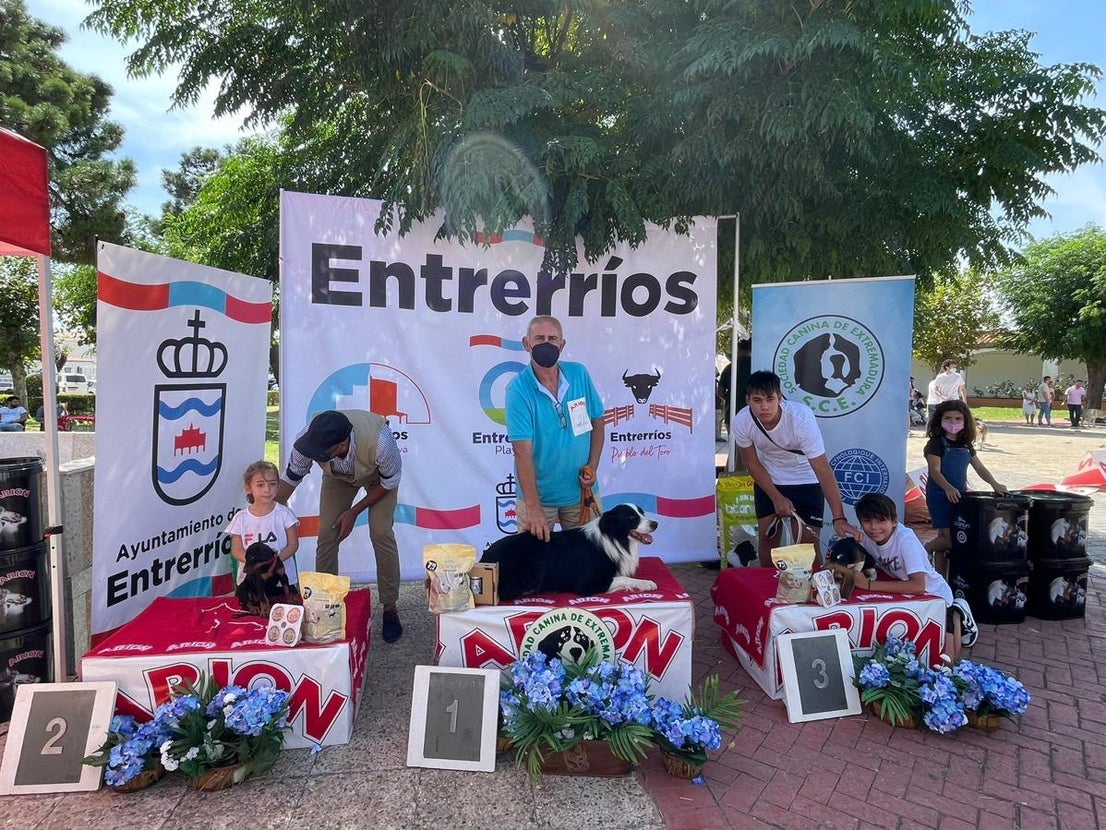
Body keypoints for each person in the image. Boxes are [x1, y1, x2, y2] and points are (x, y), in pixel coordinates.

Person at [276, 409, 404, 642]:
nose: (313, 455)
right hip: (338, 477)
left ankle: (389, 607)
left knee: (381, 531)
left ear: (342, 443)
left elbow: (390, 481)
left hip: (379, 481)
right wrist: (267, 510)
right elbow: (291, 478)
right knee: (327, 534)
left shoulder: (382, 441)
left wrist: (353, 512)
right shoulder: (308, 438)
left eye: (320, 453)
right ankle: (324, 607)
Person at [730, 370, 860, 567]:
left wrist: (839, 518)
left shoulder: (801, 418)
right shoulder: (741, 421)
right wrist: (776, 497)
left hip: (806, 481)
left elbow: (823, 470)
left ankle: (812, 592)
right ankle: (768, 591)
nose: (764, 407)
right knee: (767, 542)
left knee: (807, 548)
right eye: (757, 400)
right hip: (769, 480)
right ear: (748, 400)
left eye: (770, 399)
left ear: (779, 398)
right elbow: (752, 464)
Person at [505, 315, 604, 541]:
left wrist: (593, 466)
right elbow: (522, 452)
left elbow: (598, 421)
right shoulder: (517, 390)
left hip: (582, 493)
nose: (546, 343)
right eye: (539, 338)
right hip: (540, 498)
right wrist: (533, 507)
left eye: (552, 338)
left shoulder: (579, 374)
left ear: (562, 344)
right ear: (526, 343)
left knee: (589, 564)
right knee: (536, 568)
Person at [849, 493, 977, 661]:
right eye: (867, 521)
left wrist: (868, 585)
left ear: (894, 521)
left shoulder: (905, 539)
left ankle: (958, 611)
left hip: (935, 594)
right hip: (907, 594)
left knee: (949, 663)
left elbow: (918, 586)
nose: (874, 527)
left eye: (881, 521)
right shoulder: (865, 538)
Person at [923, 401, 1007, 576]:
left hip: (959, 497)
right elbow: (935, 471)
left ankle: (941, 578)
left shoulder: (966, 445)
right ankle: (924, 548)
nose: (953, 422)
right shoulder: (936, 443)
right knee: (949, 540)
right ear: (940, 420)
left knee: (946, 537)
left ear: (965, 421)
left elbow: (980, 468)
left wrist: (994, 483)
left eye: (957, 418)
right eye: (948, 418)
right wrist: (947, 488)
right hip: (940, 495)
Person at [226, 460, 300, 590]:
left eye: (272, 484)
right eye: (260, 485)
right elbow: (236, 551)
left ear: (278, 487)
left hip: (282, 581)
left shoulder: (285, 514)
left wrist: (274, 563)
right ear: (248, 488)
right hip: (251, 583)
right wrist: (257, 565)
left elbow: (293, 545)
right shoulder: (240, 518)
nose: (267, 490)